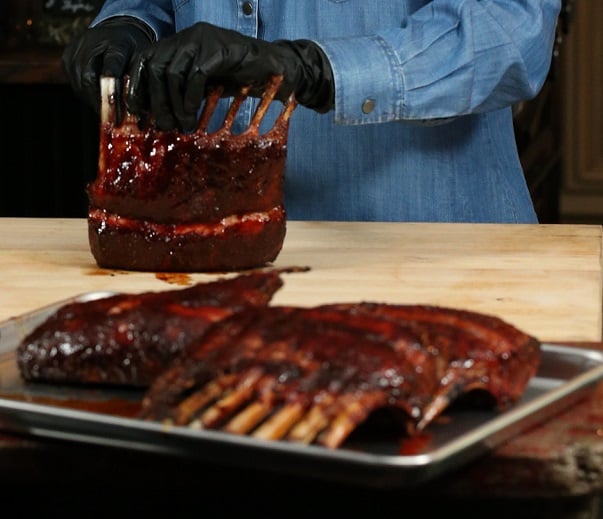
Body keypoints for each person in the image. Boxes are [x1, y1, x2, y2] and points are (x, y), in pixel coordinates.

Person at [62, 0, 561, 224]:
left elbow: (514, 26)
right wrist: (129, 22)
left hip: (431, 261)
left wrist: (316, 70)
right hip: (213, 262)